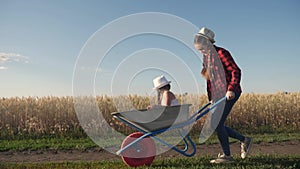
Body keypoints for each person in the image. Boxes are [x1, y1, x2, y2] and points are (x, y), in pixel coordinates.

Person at [194, 27, 253, 163]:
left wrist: (231, 89)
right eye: (199, 50)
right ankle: (244, 140)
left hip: (230, 93)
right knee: (215, 124)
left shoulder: (221, 53)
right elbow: (211, 80)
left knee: (217, 124)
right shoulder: (206, 57)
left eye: (202, 48)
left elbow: (235, 71)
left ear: (208, 43)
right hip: (218, 95)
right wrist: (212, 98)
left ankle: (227, 156)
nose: (201, 51)